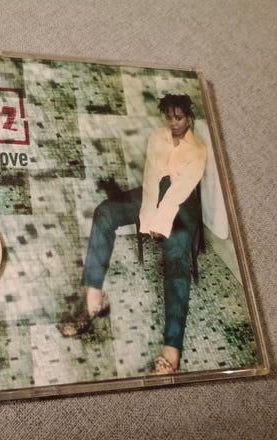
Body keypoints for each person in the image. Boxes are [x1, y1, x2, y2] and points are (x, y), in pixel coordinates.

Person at [59, 93, 207, 375]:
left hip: (183, 204)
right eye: (169, 117)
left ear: (189, 117)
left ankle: (172, 348)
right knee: (105, 212)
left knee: (176, 257)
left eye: (179, 117)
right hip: (153, 195)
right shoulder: (157, 137)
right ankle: (93, 301)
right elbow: (151, 180)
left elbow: (178, 192)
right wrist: (148, 216)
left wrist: (159, 222)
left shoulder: (198, 149)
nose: (173, 123)